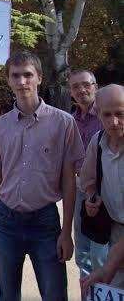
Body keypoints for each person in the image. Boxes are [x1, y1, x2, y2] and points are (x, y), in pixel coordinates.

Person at [0, 50, 85, 301]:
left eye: (28, 75)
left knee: (54, 294)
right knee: (8, 296)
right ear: (8, 80)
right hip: (6, 222)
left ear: (39, 77)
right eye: (15, 76)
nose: (22, 82)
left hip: (45, 222)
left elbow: (69, 181)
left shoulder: (63, 123)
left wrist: (66, 232)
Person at [80, 83, 124, 289]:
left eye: (120, 114)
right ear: (98, 114)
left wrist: (113, 261)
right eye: (107, 115)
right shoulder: (97, 142)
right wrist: (92, 198)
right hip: (113, 232)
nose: (114, 122)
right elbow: (88, 181)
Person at [68, 69, 109, 288]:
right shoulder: (71, 120)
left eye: (85, 84)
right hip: (78, 187)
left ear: (95, 86)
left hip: (105, 187)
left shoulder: (108, 114)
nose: (81, 90)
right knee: (83, 251)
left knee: (103, 251)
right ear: (70, 92)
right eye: (75, 87)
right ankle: (88, 294)